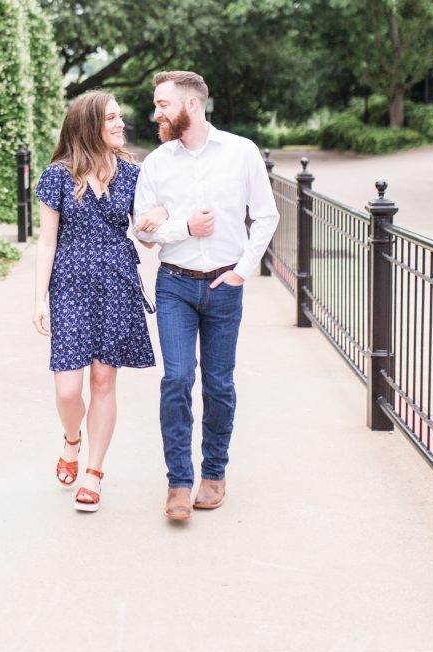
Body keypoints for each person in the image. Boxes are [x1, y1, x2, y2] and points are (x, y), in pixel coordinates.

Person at [133, 71, 279, 521]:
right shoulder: (157, 162)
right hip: (174, 284)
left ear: (190, 106)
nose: (156, 112)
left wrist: (241, 271)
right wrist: (183, 228)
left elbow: (267, 216)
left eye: (162, 104)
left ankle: (213, 474)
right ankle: (179, 482)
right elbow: (141, 229)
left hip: (223, 287)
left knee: (218, 384)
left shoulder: (241, 152)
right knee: (176, 380)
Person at [33, 92, 165, 513]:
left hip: (116, 286)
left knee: (104, 381)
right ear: (90, 123)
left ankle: (93, 472)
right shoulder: (57, 176)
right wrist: (39, 298)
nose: (120, 123)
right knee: (69, 388)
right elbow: (46, 241)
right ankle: (72, 440)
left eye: (120, 117)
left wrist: (156, 217)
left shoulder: (132, 174)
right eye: (111, 117)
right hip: (69, 288)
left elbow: (145, 238)